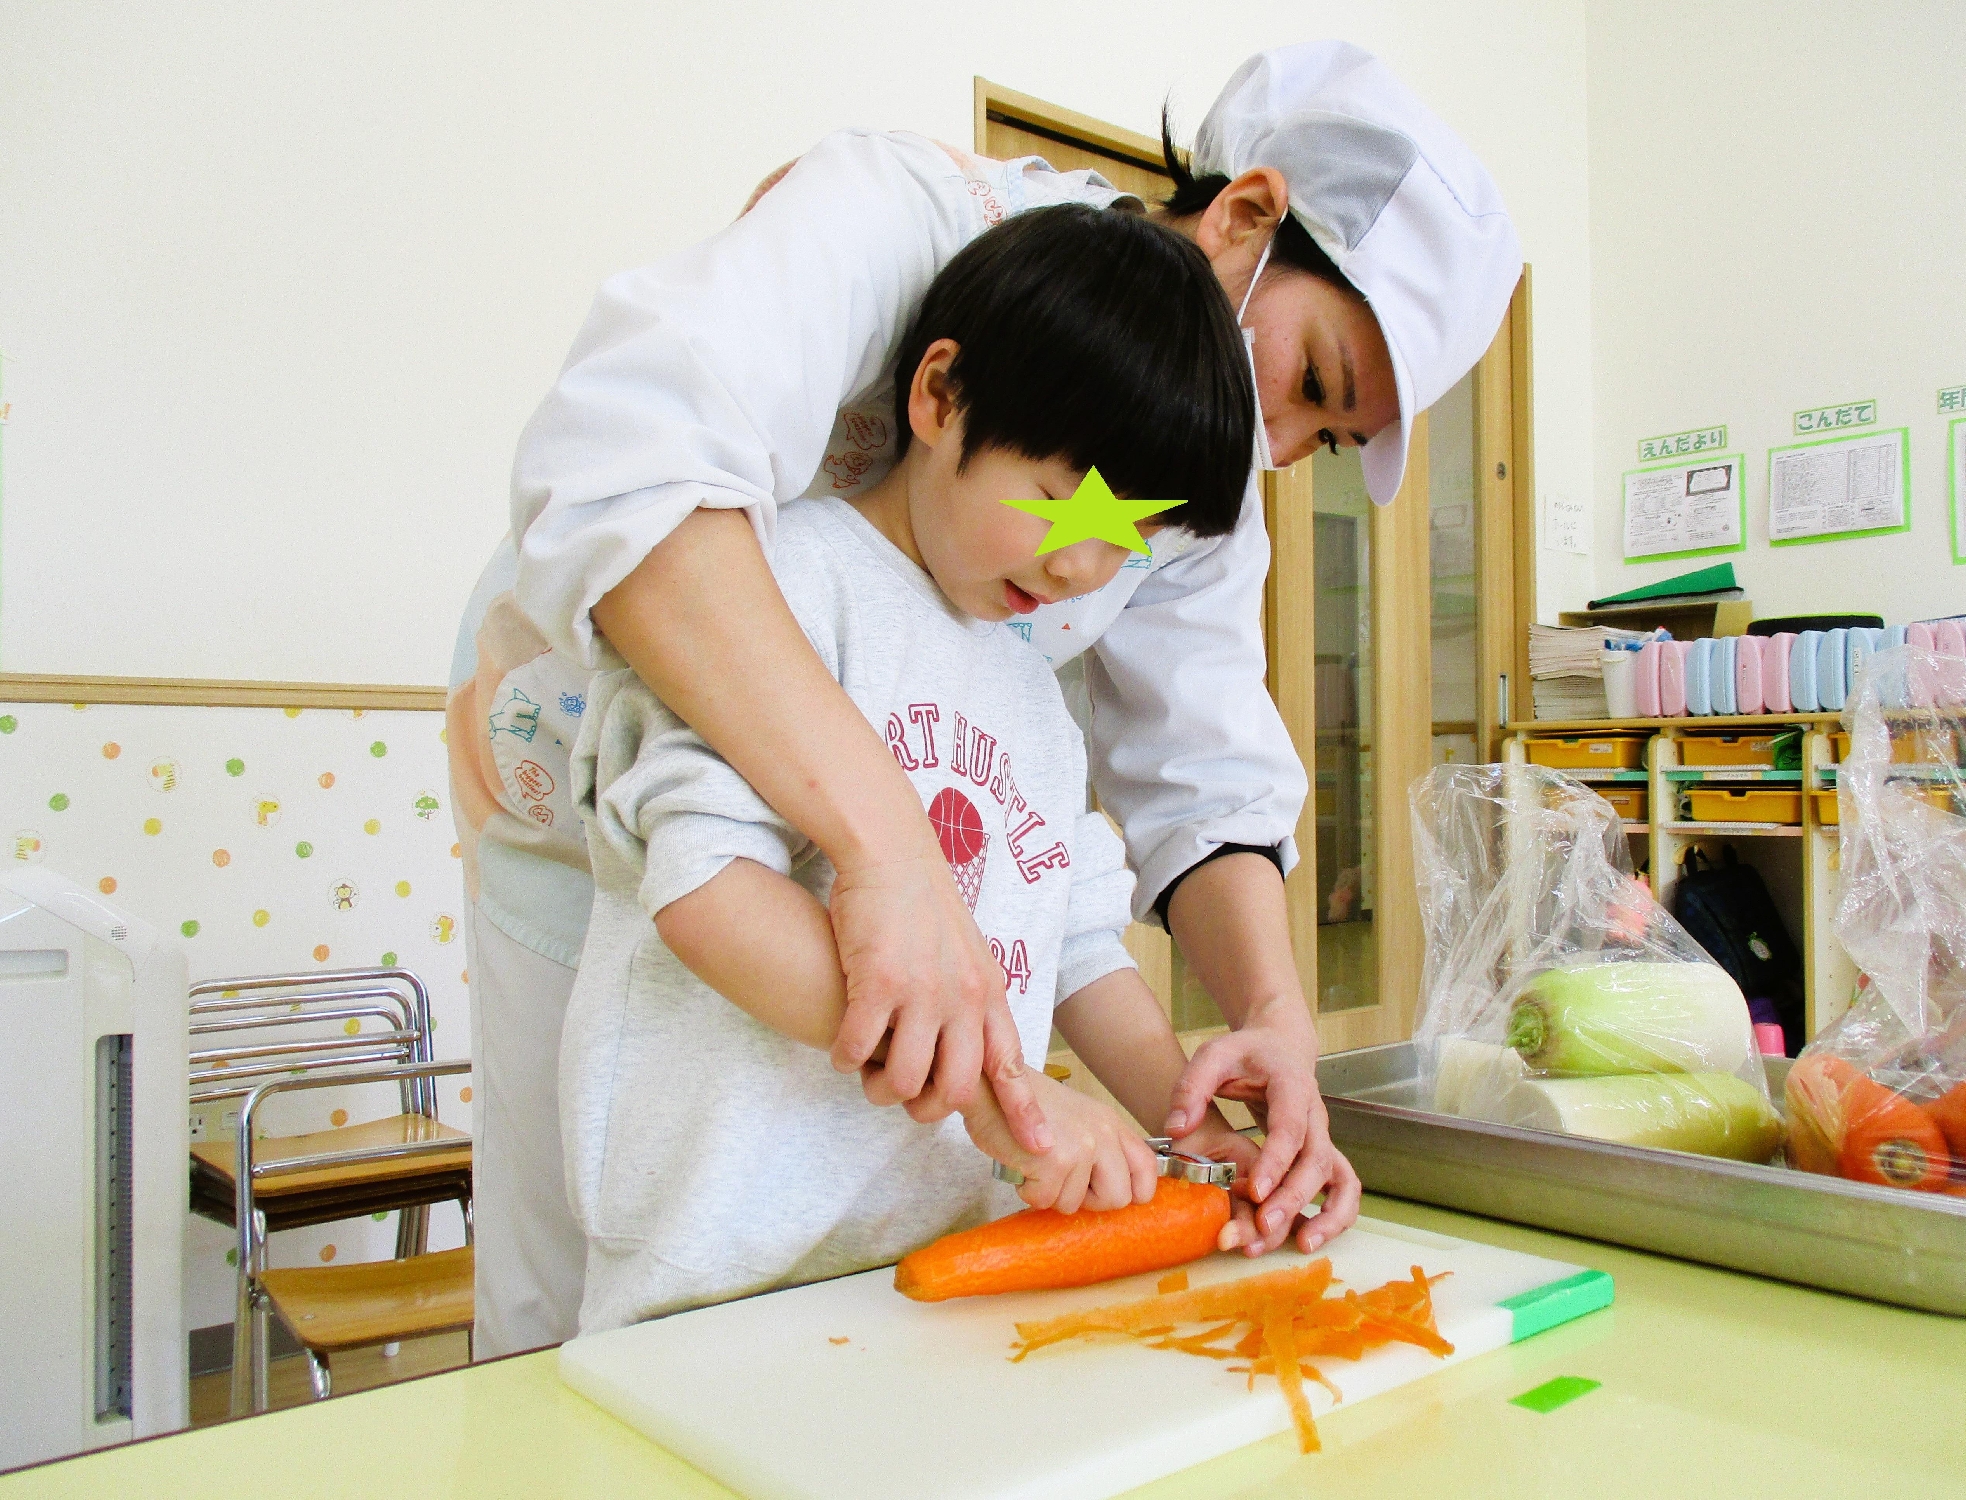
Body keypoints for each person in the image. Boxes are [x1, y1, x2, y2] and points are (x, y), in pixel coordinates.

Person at [448, 38, 1522, 1356]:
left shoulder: (1098, 568)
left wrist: (1261, 1036)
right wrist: (901, 879)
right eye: (1310, 383)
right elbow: (633, 475)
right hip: (613, 792)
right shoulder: (897, 229)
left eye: (1325, 443)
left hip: (893, 1080)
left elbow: (1194, 774)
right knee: (568, 1299)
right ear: (1248, 217)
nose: (1280, 446)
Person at [562, 205, 1260, 1329]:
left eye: (1130, 537)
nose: (1084, 568)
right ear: (939, 396)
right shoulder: (780, 588)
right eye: (1063, 504)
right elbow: (706, 897)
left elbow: (1081, 948)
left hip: (936, 1256)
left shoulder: (1033, 694)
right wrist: (1002, 1095)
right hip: (723, 1267)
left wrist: (1200, 1135)